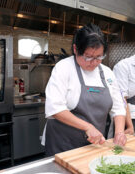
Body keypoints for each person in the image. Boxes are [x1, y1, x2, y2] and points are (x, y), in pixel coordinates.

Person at [43, 23, 127, 156]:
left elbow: (118, 107)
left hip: (94, 145)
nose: (94, 62)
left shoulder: (107, 73)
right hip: (63, 144)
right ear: (76, 49)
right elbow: (55, 108)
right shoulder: (63, 68)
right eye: (88, 57)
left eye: (99, 57)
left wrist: (120, 132)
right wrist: (87, 127)